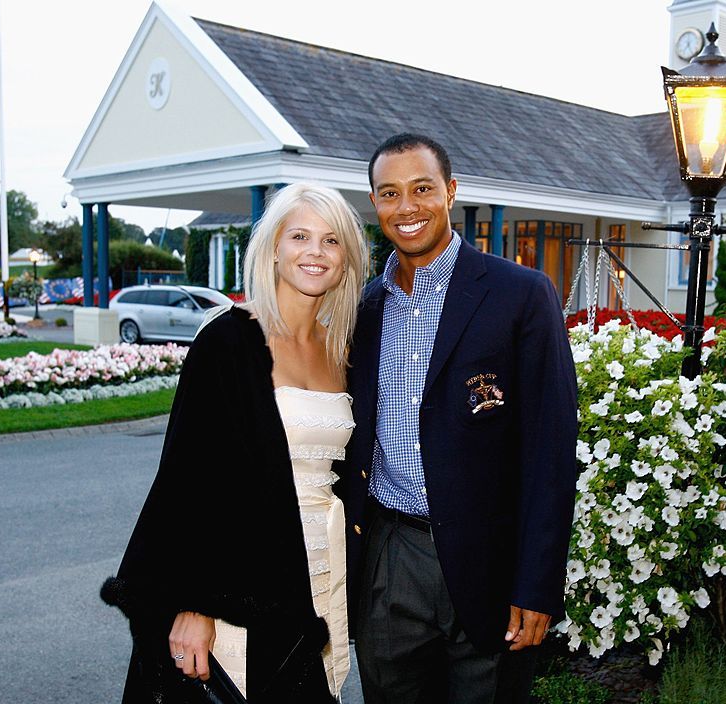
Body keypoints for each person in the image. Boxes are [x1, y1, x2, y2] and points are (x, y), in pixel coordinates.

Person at [101, 182, 368, 703]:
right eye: (300, 236)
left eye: (332, 240)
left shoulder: (341, 348)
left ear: (348, 258)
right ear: (273, 248)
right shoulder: (227, 340)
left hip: (320, 564)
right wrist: (194, 606)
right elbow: (188, 483)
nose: (315, 252)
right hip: (242, 572)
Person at [336, 133, 578, 703]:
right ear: (376, 204)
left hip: (488, 561)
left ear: (451, 191)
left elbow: (550, 451)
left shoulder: (519, 295)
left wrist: (537, 585)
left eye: (422, 189)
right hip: (390, 555)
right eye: (390, 193)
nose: (408, 207)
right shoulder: (363, 309)